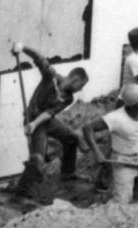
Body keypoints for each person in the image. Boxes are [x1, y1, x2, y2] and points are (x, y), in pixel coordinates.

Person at [8, 42, 89, 198]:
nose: (81, 89)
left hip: (44, 121)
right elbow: (39, 58)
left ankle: (67, 173)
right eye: (82, 85)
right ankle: (22, 192)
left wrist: (36, 123)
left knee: (72, 138)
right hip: (32, 119)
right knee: (37, 159)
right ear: (76, 79)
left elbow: (50, 113)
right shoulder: (50, 77)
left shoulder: (69, 98)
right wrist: (23, 46)